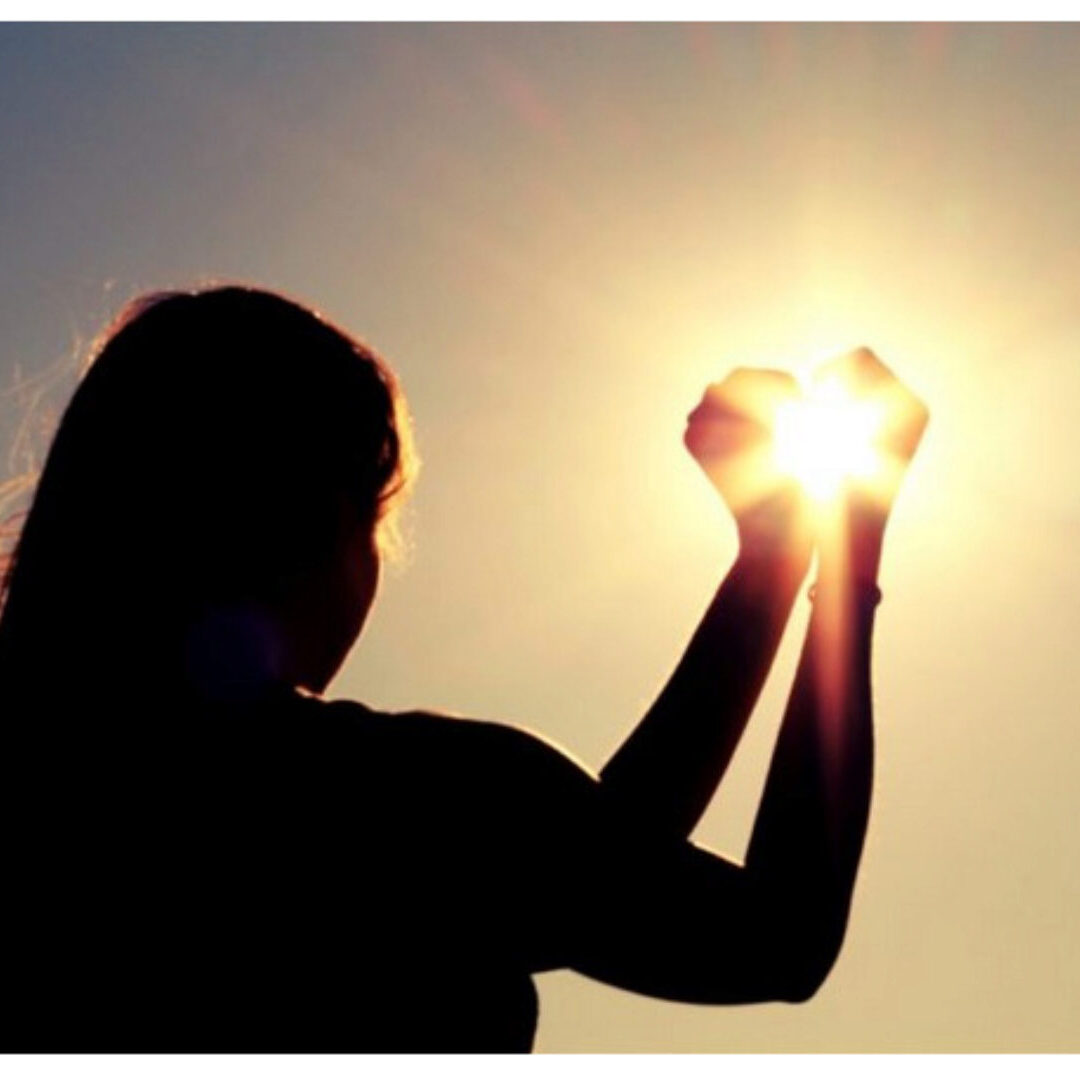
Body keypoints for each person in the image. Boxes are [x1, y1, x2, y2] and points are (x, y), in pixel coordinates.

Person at [0, 286, 928, 1052]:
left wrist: (768, 562)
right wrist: (848, 558)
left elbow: (596, 858)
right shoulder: (381, 799)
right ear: (318, 519)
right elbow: (771, 934)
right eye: (377, 520)